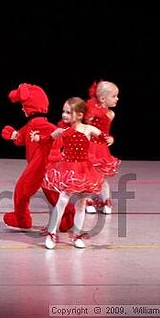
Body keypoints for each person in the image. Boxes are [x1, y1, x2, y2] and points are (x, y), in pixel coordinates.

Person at [31, 97, 108, 249]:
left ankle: (77, 235)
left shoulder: (88, 129)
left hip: (84, 170)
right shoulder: (62, 131)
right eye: (63, 112)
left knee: (81, 204)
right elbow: (47, 139)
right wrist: (37, 138)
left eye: (68, 112)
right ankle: (52, 233)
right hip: (68, 169)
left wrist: (108, 138)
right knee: (62, 200)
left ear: (79, 115)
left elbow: (103, 136)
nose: (64, 115)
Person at [1, 83, 75, 231]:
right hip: (44, 166)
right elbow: (21, 138)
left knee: (21, 190)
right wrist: (13, 134)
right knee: (52, 194)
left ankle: (22, 219)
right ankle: (67, 216)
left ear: (31, 106)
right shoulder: (31, 125)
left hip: (39, 165)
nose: (22, 109)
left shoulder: (42, 125)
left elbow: (57, 137)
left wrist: (48, 143)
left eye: (24, 105)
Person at [84, 80, 121, 214]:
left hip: (102, 148)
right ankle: (87, 201)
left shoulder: (110, 114)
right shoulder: (90, 113)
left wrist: (110, 138)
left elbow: (106, 132)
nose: (117, 99)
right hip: (89, 147)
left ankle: (106, 201)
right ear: (103, 98)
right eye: (114, 96)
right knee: (88, 176)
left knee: (102, 177)